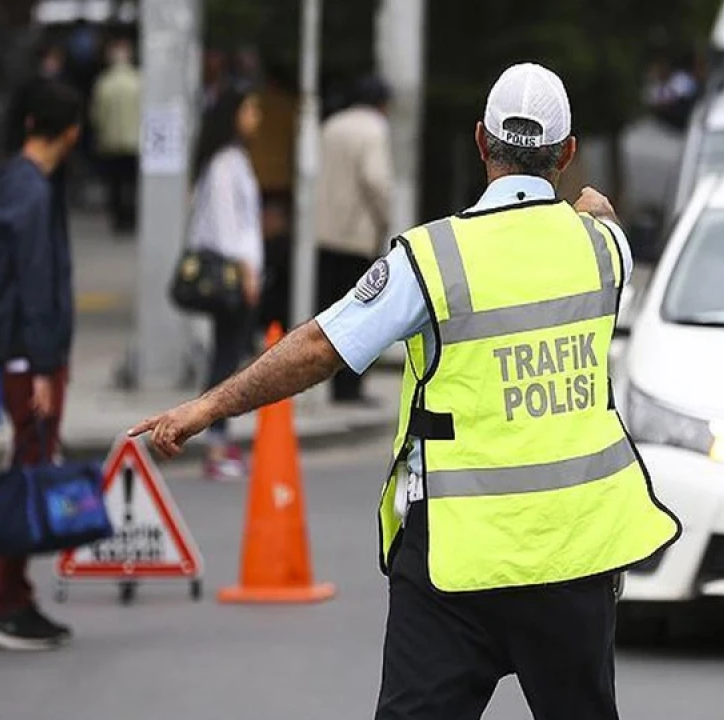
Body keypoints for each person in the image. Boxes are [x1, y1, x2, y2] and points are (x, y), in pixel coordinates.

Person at [130, 63, 681, 719]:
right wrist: (591, 208)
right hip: (572, 558)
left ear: (481, 141)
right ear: (566, 152)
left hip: (456, 560)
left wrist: (208, 406)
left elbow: (318, 347)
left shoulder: (433, 259)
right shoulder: (603, 252)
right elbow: (601, 216)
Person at [0, 80, 83, 651]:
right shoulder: (33, 192)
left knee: (28, 464)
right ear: (70, 131)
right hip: (29, 357)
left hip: (21, 352)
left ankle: (13, 597)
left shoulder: (16, 181)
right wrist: (44, 367)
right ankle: (6, 604)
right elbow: (35, 286)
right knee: (28, 472)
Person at [184, 85, 264, 482]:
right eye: (250, 109)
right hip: (232, 274)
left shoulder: (231, 159)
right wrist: (248, 271)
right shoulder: (225, 163)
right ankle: (215, 441)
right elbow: (229, 226)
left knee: (228, 353)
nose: (256, 117)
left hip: (237, 271)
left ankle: (219, 436)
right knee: (225, 358)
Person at [314, 74, 393, 404]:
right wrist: (385, 216)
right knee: (361, 314)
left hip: (324, 230)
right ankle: (350, 388)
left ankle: (332, 384)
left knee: (331, 312)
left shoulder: (331, 125)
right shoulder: (374, 128)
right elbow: (375, 178)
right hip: (357, 234)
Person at [90, 38, 141, 235]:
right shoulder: (139, 81)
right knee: (132, 182)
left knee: (115, 183)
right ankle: (132, 217)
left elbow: (97, 114)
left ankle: (119, 218)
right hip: (134, 140)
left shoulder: (104, 83)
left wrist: (101, 134)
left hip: (111, 141)